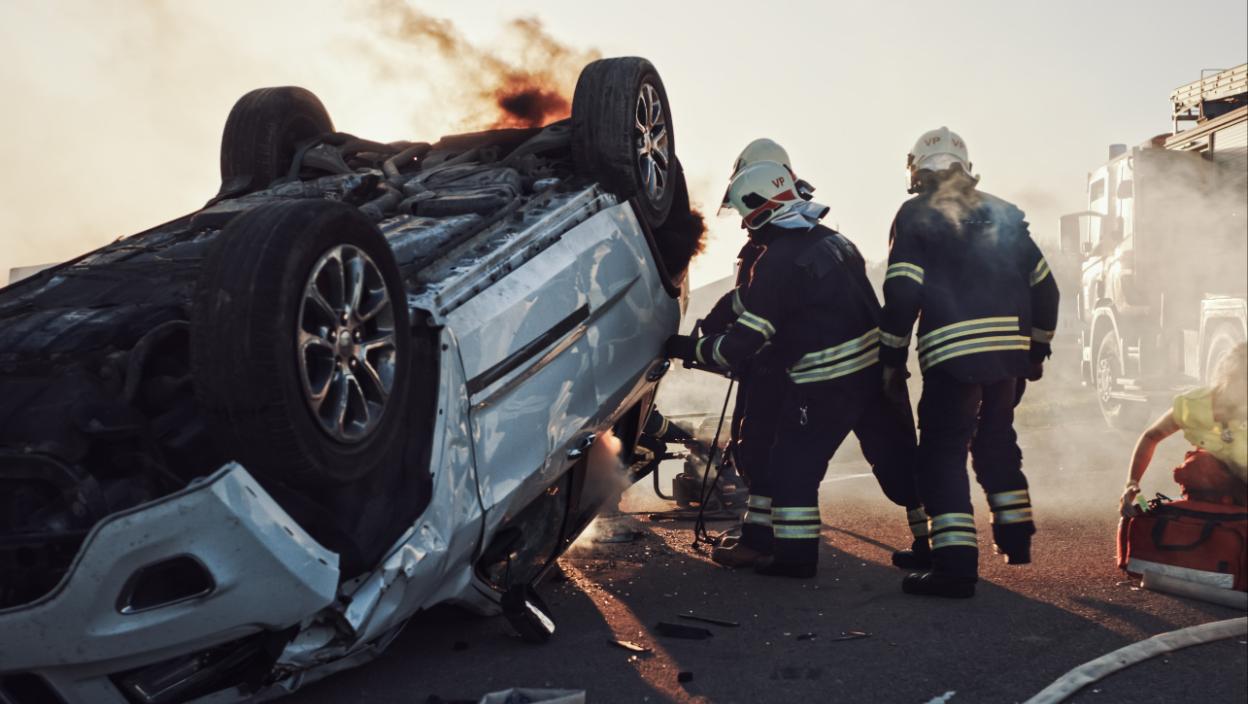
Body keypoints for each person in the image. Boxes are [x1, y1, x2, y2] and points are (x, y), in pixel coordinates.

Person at [666, 158, 922, 578]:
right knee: (898, 463)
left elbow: (743, 343)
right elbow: (767, 299)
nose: (746, 225)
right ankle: (933, 543)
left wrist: (690, 347)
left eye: (746, 215)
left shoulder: (777, 258)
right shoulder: (830, 240)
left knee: (791, 468)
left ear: (760, 206)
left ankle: (795, 559)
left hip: (826, 383)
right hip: (875, 377)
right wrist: (719, 316)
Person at [880, 126, 1060, 598]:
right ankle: (1016, 539)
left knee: (941, 454)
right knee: (996, 441)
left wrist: (891, 357)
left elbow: (901, 290)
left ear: (917, 169)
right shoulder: (1002, 212)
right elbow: (1046, 287)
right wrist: (1035, 349)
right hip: (1007, 359)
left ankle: (954, 566)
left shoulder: (916, 214)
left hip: (953, 360)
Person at [1120, 343, 1248, 515]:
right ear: (1228, 377)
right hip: (1211, 491)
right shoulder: (1192, 405)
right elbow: (1151, 437)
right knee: (1199, 467)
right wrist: (1132, 484)